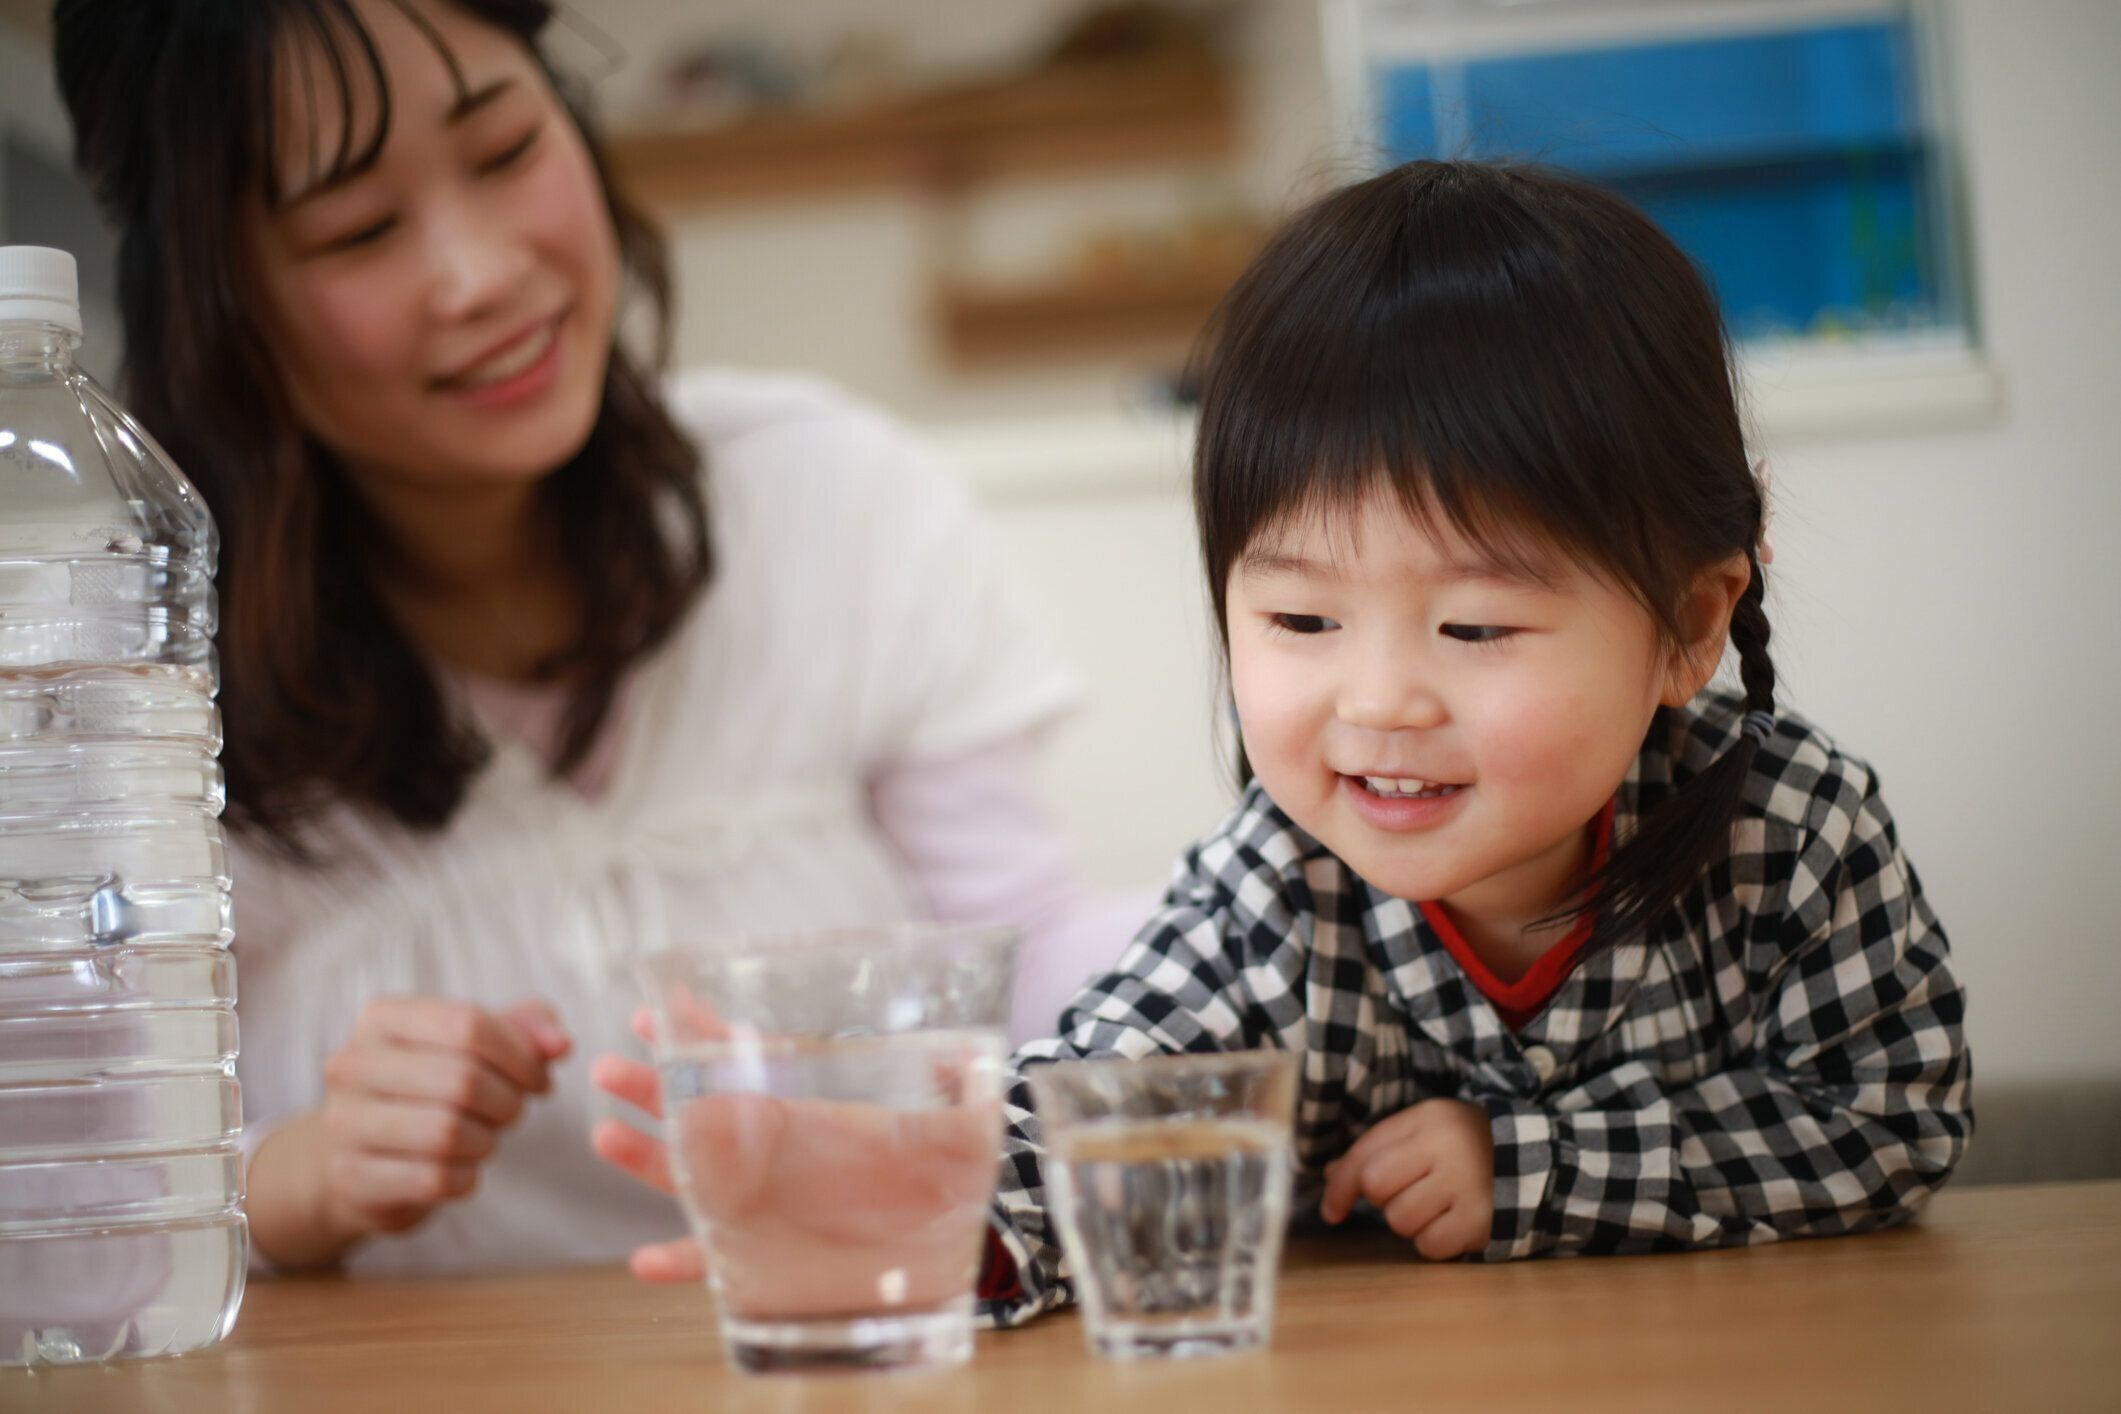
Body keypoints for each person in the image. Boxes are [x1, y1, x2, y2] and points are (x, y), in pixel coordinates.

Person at [600, 158, 1974, 1313]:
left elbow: (1892, 1120)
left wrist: (1531, 1164)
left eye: (1475, 630)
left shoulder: (1790, 834)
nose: (1378, 701)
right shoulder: (1276, 884)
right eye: (1303, 621)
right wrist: (933, 1196)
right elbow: (1102, 1103)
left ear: (1688, 625)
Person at [52, 0, 1142, 1275]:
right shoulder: (126, 680)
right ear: (215, 306)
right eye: (359, 228)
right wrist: (280, 1179)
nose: (483, 273)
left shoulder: (819, 494)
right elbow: (69, 1212)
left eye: (507, 151)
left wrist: (1253, 966)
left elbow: (1013, 945)